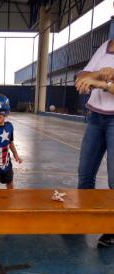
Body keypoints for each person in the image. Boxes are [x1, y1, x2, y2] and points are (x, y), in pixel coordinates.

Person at [75, 38, 114, 247]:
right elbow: (81, 76)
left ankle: (112, 229)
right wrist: (99, 73)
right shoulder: (105, 46)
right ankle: (82, 219)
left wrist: (101, 84)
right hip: (95, 118)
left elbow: (96, 81)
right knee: (85, 173)